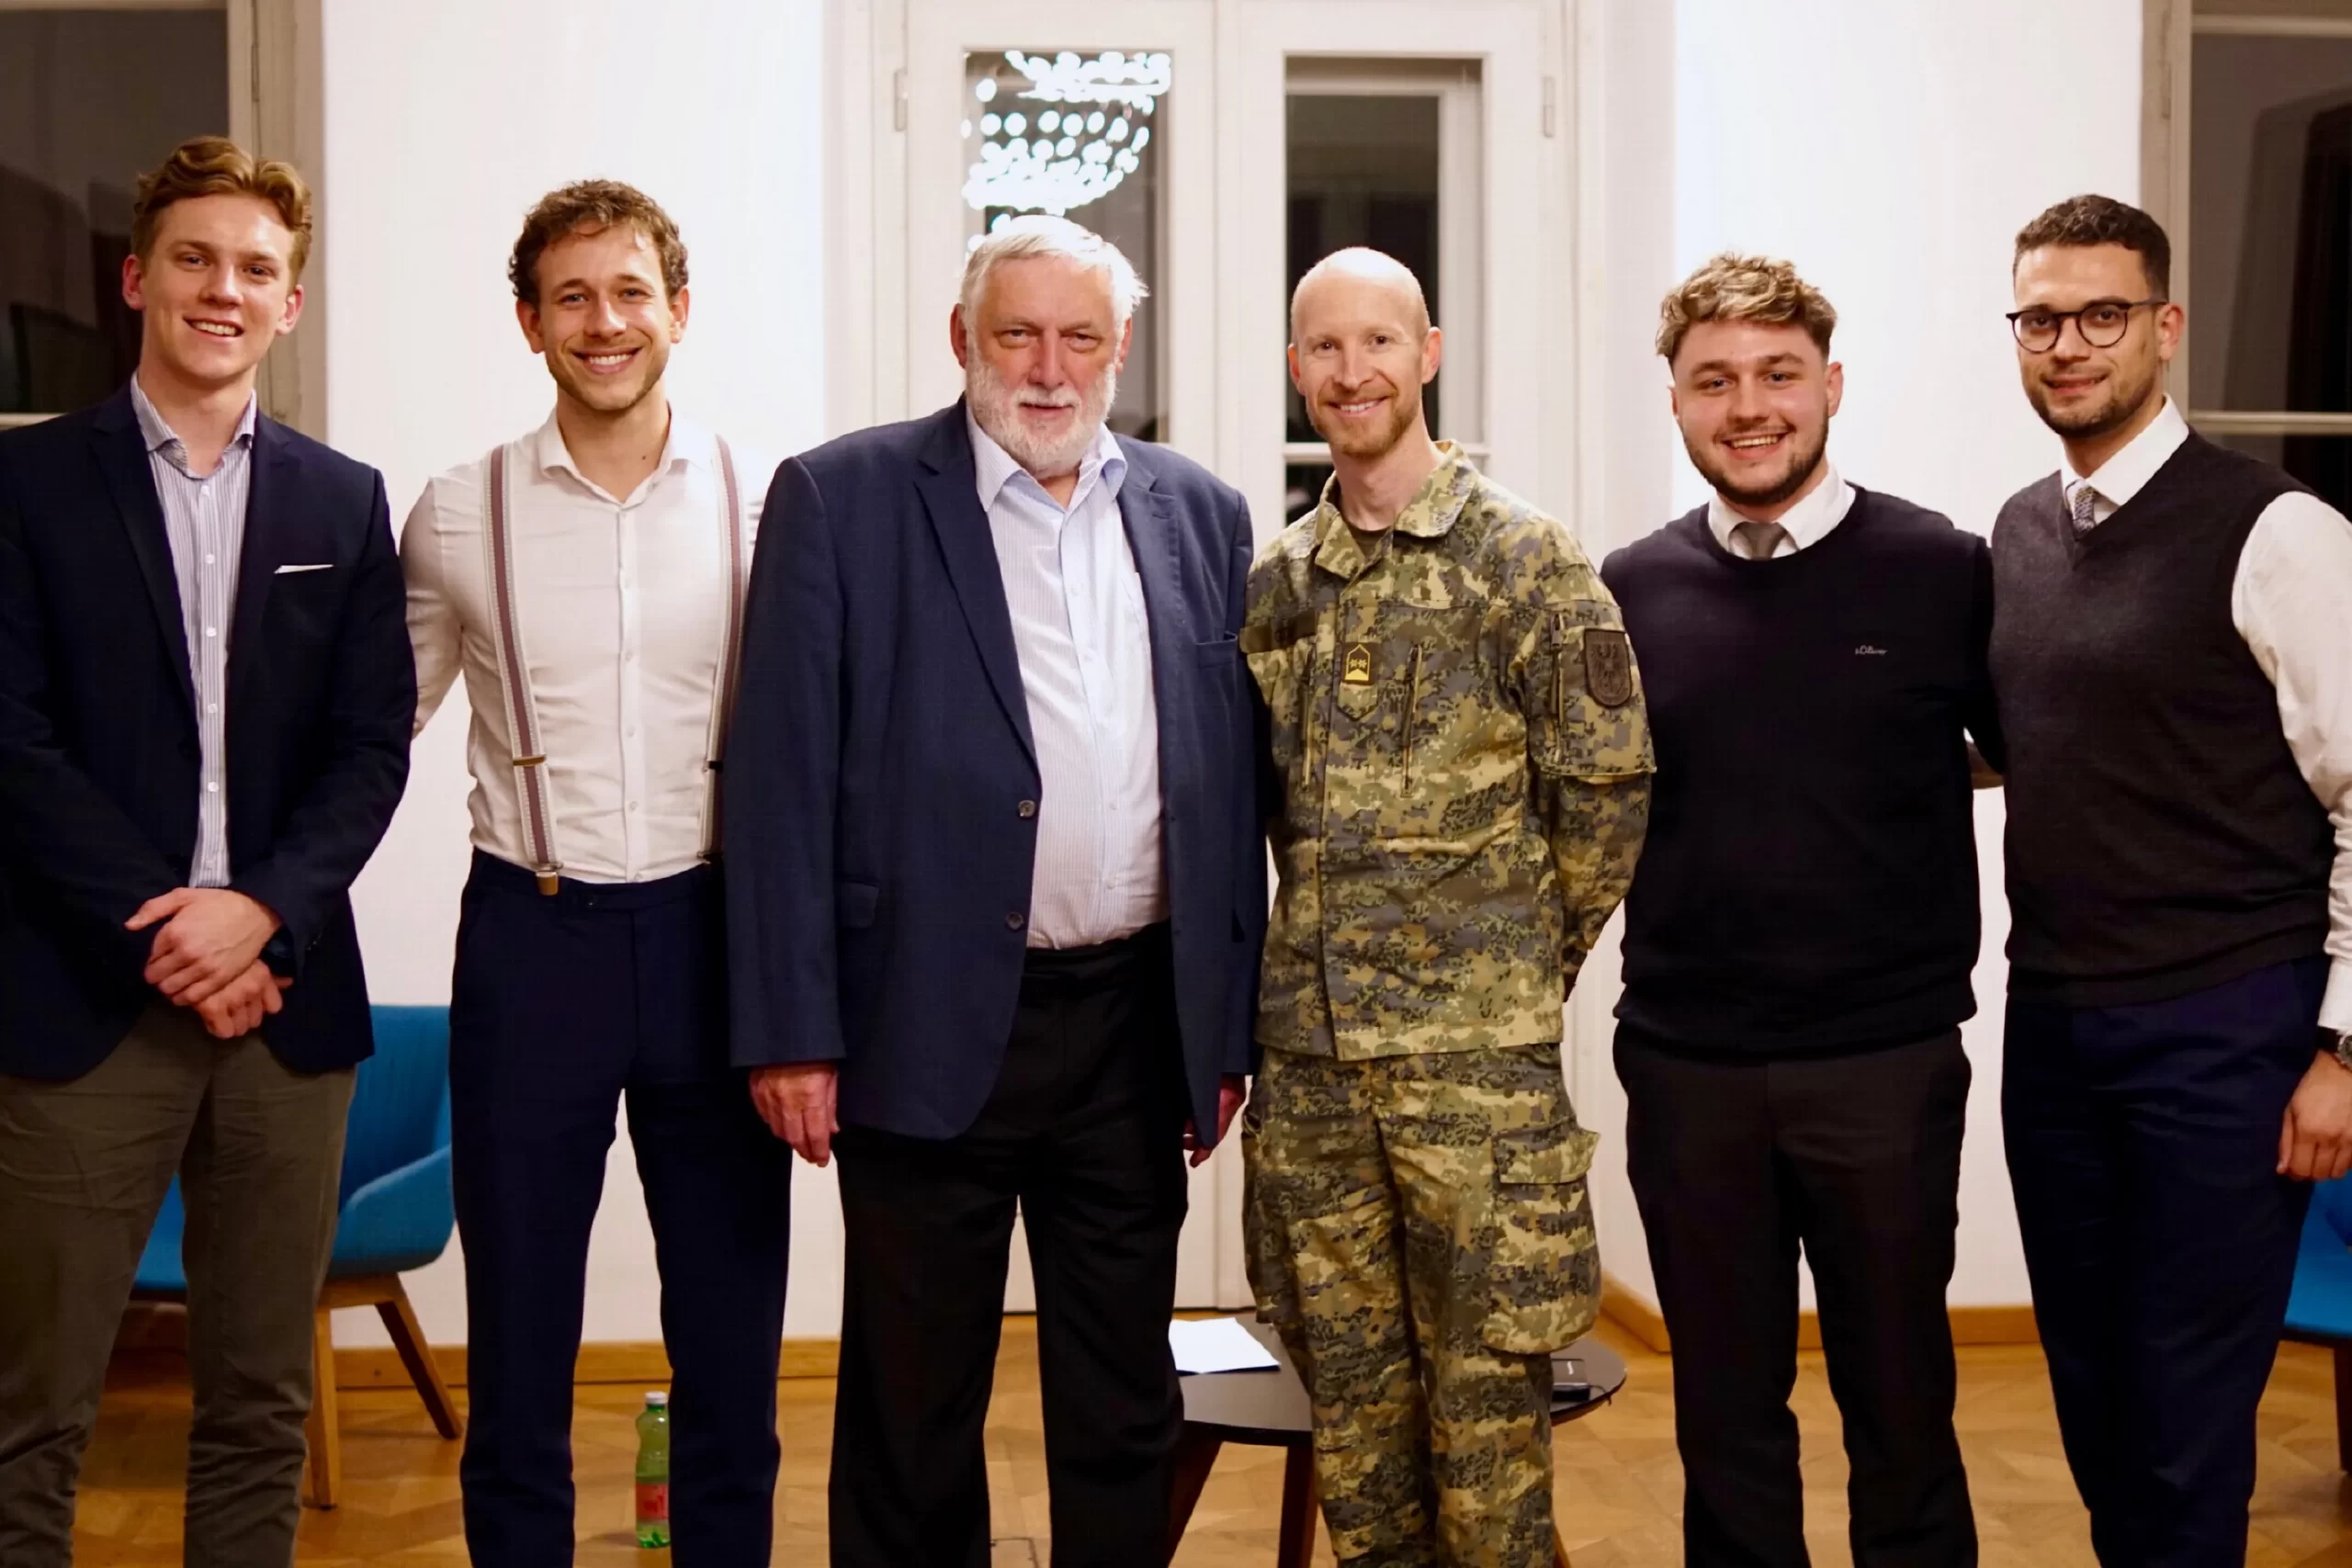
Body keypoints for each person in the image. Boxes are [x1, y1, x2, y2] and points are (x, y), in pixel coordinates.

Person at [725, 215, 1262, 1568]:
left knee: (1123, 1398)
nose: (1047, 365)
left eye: (1079, 335)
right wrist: (791, 1029)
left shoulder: (1202, 514)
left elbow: (1223, 792)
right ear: (962, 339)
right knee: (912, 1406)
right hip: (920, 1015)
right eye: (1017, 332)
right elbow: (778, 784)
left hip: (1133, 1024)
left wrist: (1221, 1031)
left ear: (1121, 346)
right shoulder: (841, 500)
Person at [0, 136, 414, 1567]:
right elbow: (12, 741)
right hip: (83, 1001)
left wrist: (260, 916)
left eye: (254, 268)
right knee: (32, 1407)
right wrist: (171, 926)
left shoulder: (343, 499)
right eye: (193, 258)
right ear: (136, 280)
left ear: (289, 302)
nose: (221, 289)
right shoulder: (26, 481)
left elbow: (372, 747)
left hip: (285, 1007)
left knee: (260, 1404)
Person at [1240, 246, 1653, 1567]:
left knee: (1488, 1477)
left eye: (1379, 340)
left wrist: (1512, 973)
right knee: (1358, 1465)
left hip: (1477, 1096)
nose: (1351, 370)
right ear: (1296, 368)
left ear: (1427, 354)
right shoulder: (1278, 584)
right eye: (1323, 346)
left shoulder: (1526, 560)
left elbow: (1606, 796)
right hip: (1314, 1084)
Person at [401, 180, 790, 1567]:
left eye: (630, 292)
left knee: (731, 1335)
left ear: (679, 310)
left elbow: (821, 744)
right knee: (517, 1336)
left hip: (715, 938)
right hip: (534, 938)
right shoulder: (460, 512)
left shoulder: (765, 500)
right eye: (571, 296)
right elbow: (368, 728)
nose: (604, 321)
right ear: (530, 323)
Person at [1600, 254, 1996, 1568]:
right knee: (1724, 1417)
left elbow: (2028, 756)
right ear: (1676, 401)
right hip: (1688, 1065)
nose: (1749, 406)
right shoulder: (1629, 588)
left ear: (1830, 385)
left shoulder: (1942, 568)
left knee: (1902, 1405)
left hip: (1882, 1064)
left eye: (1778, 374)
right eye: (1715, 380)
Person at [1993, 194, 2352, 1566]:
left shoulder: (2279, 531)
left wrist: (2344, 1048)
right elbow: (2024, 738)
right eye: (2041, 319)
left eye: (2103, 314)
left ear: (2166, 326)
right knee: (2091, 1391)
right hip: (2057, 1026)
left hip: (2228, 1029)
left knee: (2186, 1416)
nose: (2070, 344)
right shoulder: (2022, 530)